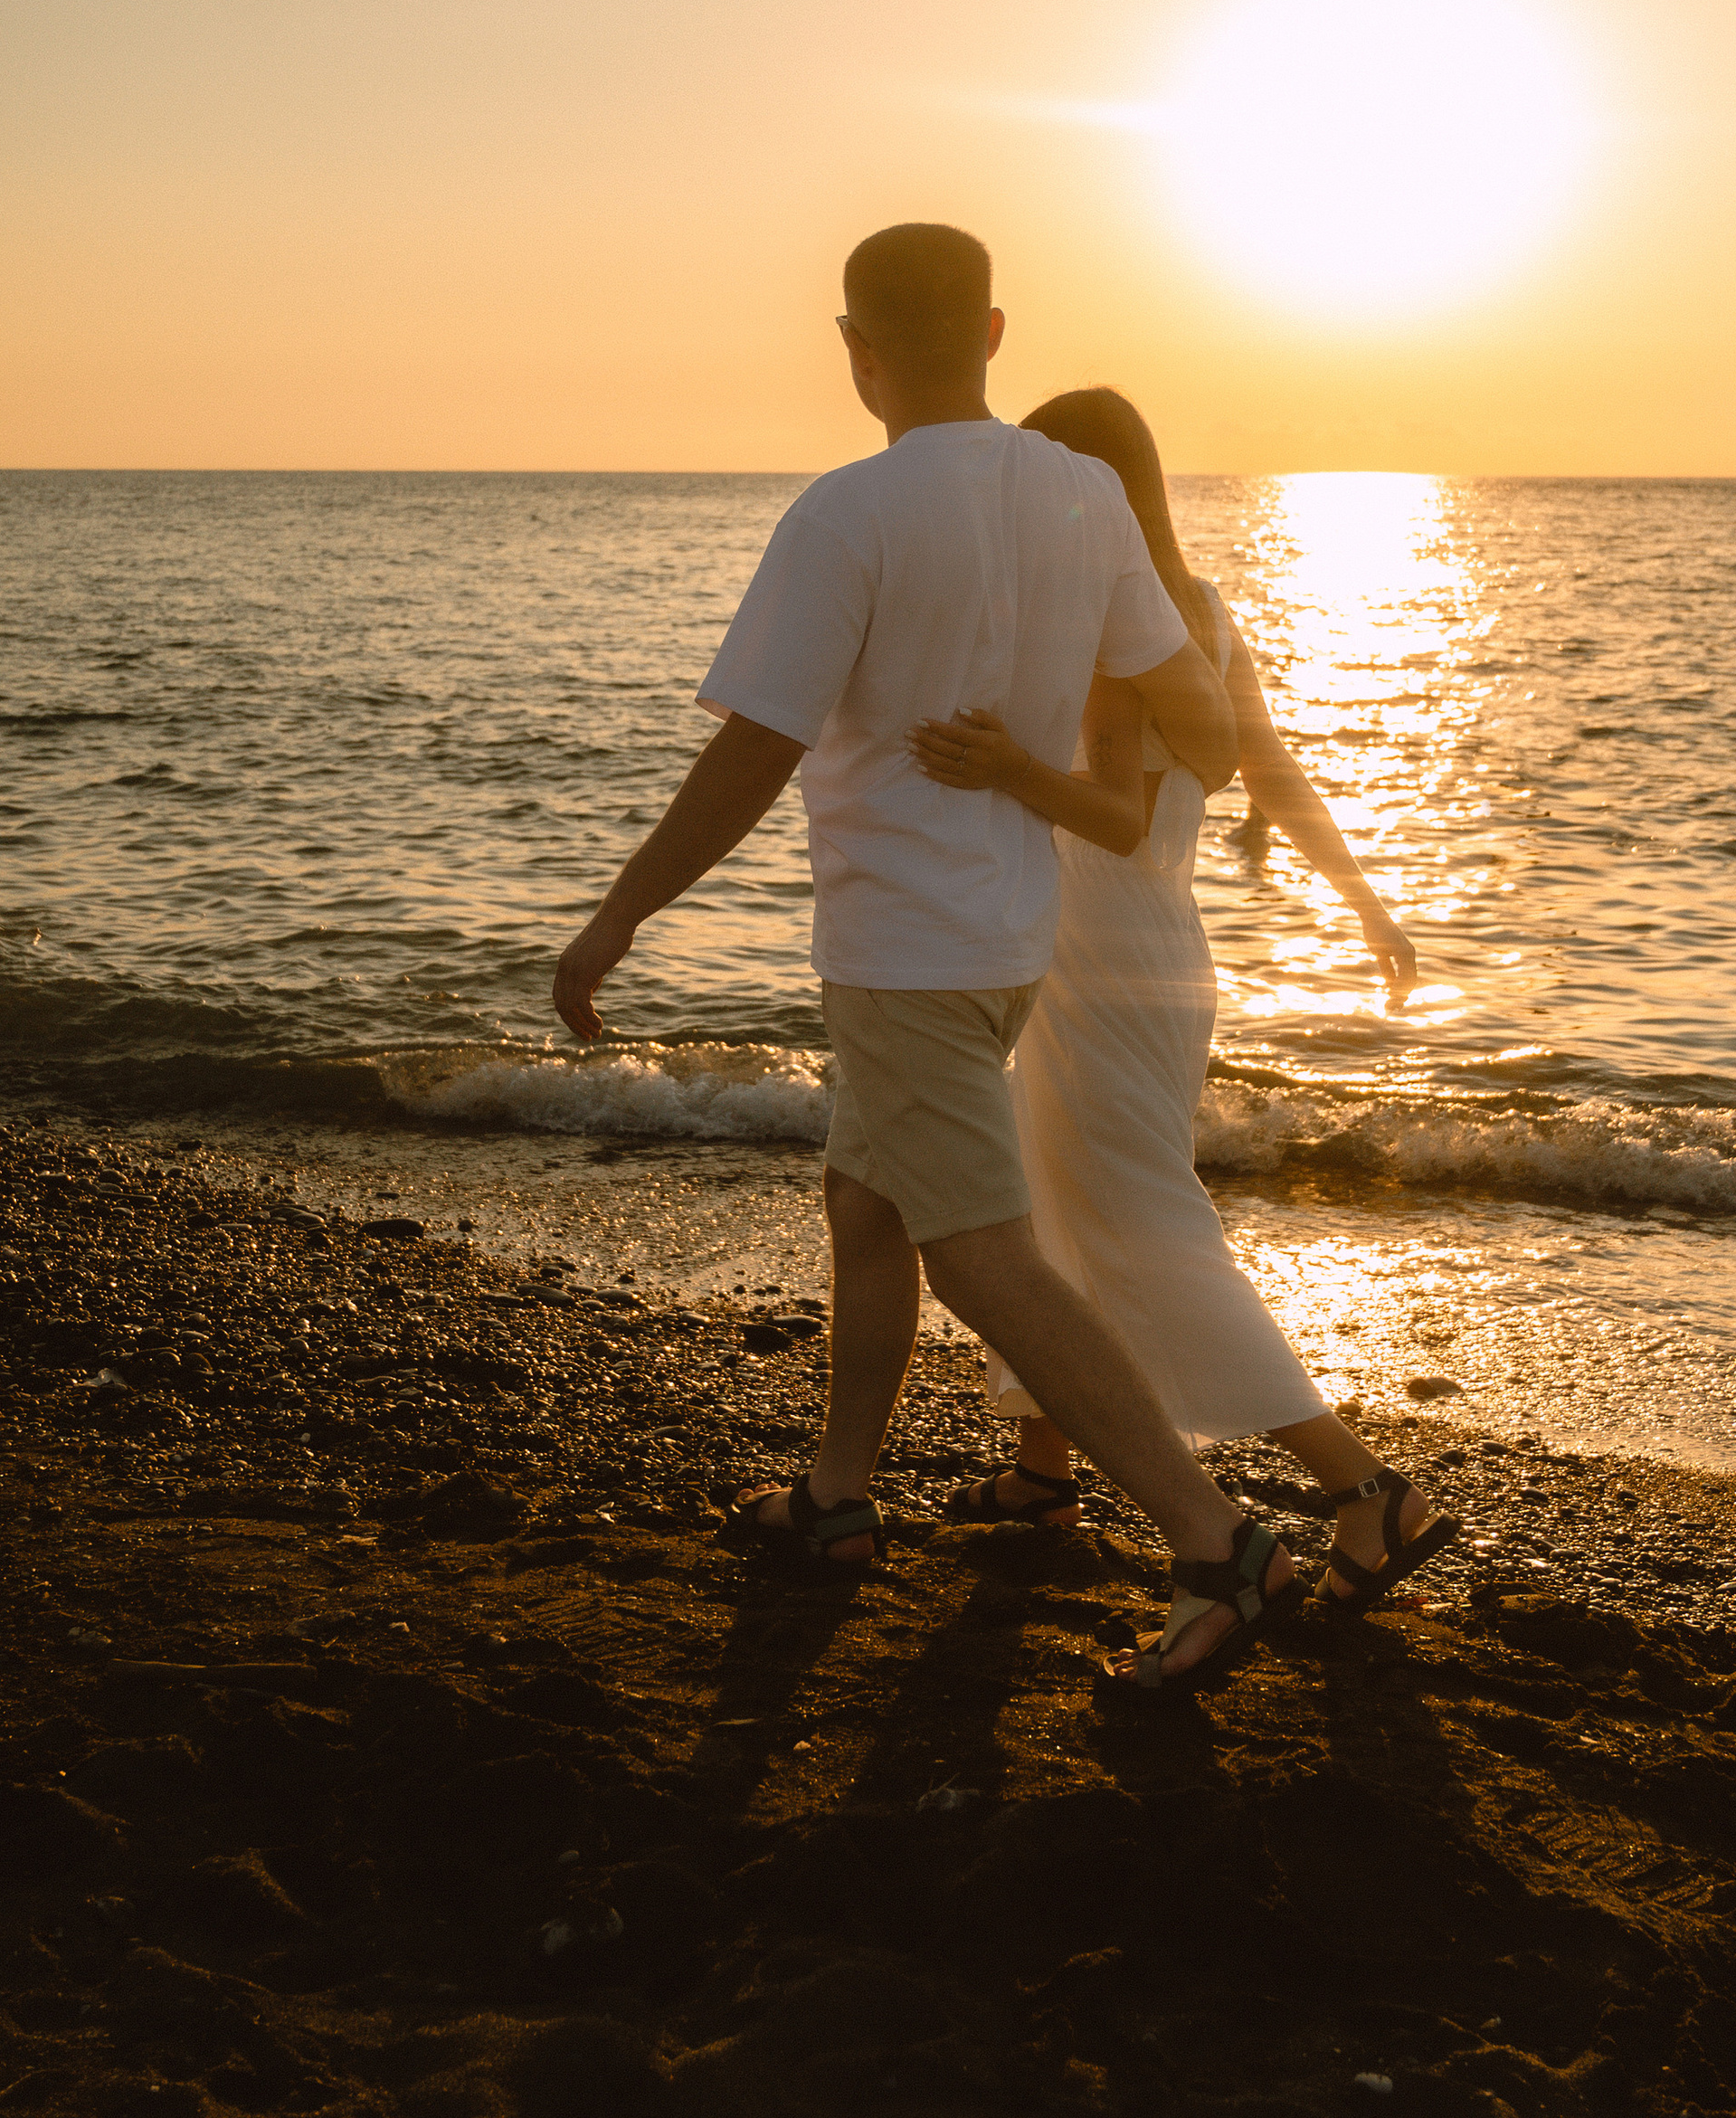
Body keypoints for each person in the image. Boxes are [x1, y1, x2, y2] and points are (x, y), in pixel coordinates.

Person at [552, 225, 1309, 1687]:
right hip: (1018, 934)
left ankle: (1219, 1542)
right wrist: (1084, 781)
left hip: (905, 950)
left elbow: (756, 750)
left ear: (857, 348)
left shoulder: (848, 514)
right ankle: (838, 1500)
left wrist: (622, 911)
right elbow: (1197, 720)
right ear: (997, 330)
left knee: (981, 1257)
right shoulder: (1086, 496)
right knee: (868, 1205)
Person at [906, 385, 1458, 1616]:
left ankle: (1367, 1488)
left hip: (1099, 958)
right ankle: (1044, 1472)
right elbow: (1271, 767)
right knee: (1052, 1207)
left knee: (1150, 1232)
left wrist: (1001, 767)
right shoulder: (1197, 609)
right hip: (1154, 950)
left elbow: (1115, 813)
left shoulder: (1109, 620)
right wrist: (1370, 905)